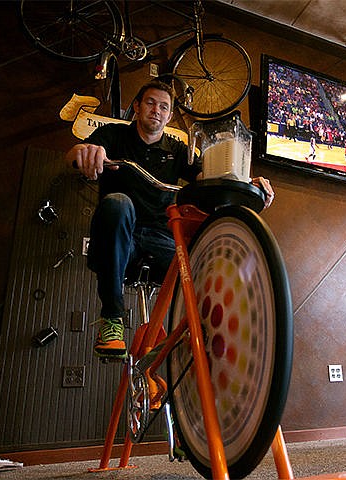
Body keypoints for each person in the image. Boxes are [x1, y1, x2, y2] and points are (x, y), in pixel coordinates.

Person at [66, 80, 275, 359]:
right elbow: (75, 154)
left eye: (164, 107)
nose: (157, 110)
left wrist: (245, 180)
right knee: (118, 202)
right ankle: (112, 319)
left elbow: (210, 177)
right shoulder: (113, 135)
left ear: (168, 115)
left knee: (204, 260)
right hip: (120, 239)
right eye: (151, 103)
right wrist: (85, 153)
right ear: (137, 107)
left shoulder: (177, 150)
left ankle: (202, 334)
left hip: (161, 239)